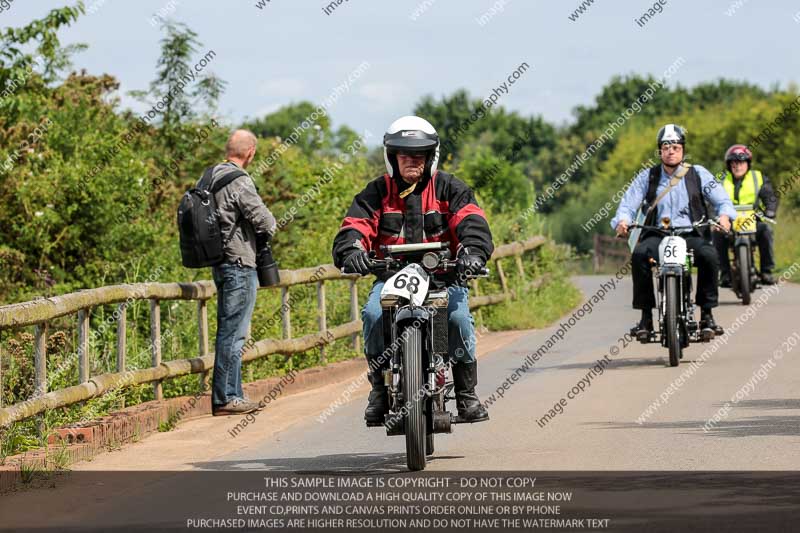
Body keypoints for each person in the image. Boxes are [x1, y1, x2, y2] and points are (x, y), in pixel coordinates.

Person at [332, 116, 493, 424]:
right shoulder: (376, 192)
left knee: (457, 318)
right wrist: (352, 251)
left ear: (430, 157)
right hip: (392, 278)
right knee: (373, 314)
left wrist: (473, 252)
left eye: (419, 155)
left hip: (443, 277)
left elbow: (472, 221)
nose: (411, 161)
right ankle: (379, 388)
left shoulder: (450, 188)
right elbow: (355, 225)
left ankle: (465, 394)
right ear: (392, 157)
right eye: (404, 155)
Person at [612, 124, 736, 337]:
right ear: (659, 150)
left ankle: (707, 316)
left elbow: (722, 200)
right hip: (657, 234)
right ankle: (645, 319)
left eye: (676, 146)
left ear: (683, 150)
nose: (671, 151)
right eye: (666, 146)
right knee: (640, 254)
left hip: (690, 233)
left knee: (709, 255)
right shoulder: (648, 177)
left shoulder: (698, 174)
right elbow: (627, 205)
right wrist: (623, 222)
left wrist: (724, 217)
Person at [208, 129, 277, 415]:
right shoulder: (239, 180)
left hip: (219, 261)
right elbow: (264, 220)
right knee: (234, 333)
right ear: (251, 152)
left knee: (230, 330)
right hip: (239, 263)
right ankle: (226, 397)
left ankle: (233, 394)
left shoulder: (210, 176)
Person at [713, 144, 778, 286]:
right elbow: (711, 200)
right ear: (729, 164)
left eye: (741, 162)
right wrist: (714, 217)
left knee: (766, 230)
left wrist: (770, 211)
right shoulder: (721, 179)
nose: (738, 166)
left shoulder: (758, 177)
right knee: (717, 234)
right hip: (728, 221)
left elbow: (770, 197)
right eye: (734, 163)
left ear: (748, 164)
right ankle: (724, 274)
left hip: (753, 220)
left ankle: (767, 272)